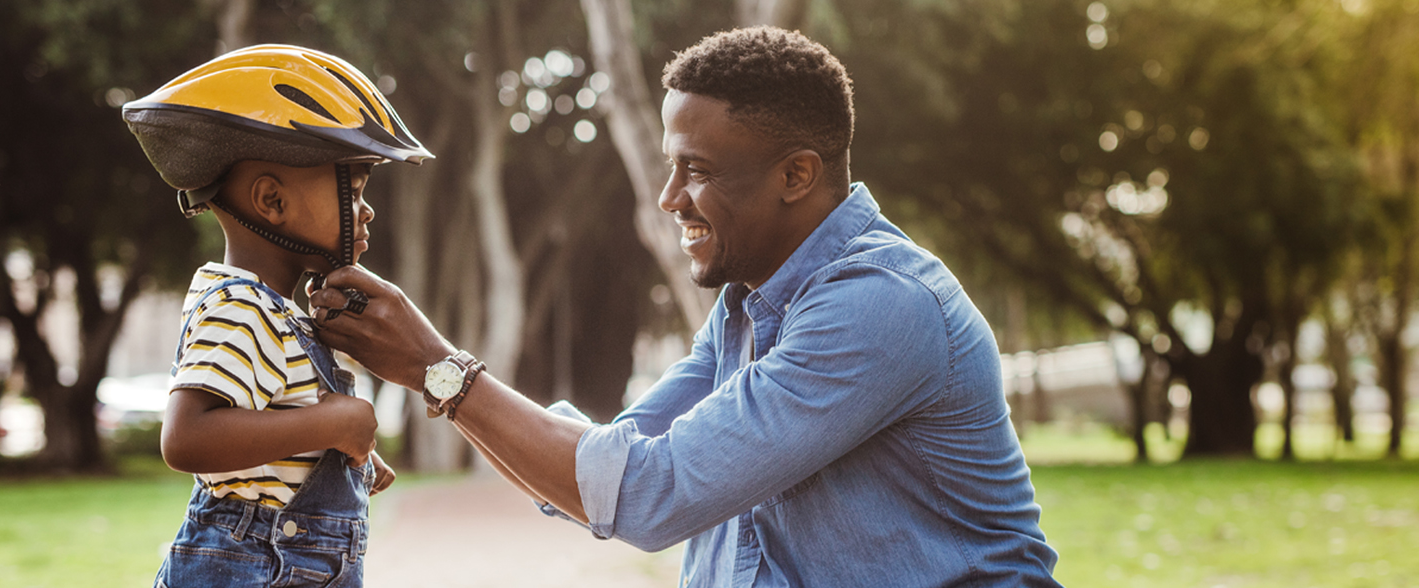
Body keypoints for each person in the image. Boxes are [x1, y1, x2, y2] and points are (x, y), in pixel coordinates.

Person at [310, 27, 1061, 587]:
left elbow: (647, 496)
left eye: (697, 171)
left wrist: (443, 371)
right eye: (671, 167)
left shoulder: (880, 306)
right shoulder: (747, 306)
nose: (670, 199)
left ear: (796, 174)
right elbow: (620, 461)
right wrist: (453, 386)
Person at [121, 44, 432, 588]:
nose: (368, 210)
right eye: (353, 189)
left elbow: (265, 442)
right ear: (271, 200)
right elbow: (188, 437)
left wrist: (337, 453)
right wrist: (335, 423)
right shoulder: (242, 306)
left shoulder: (276, 312)